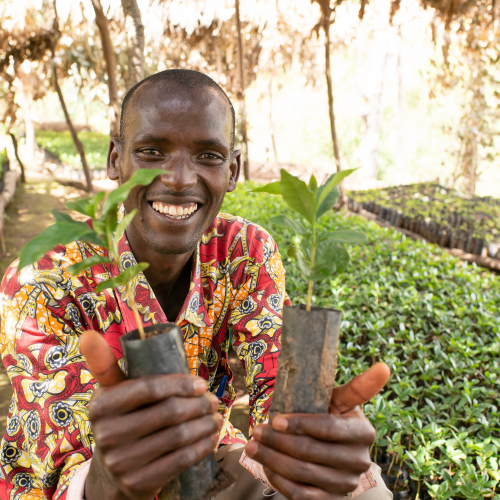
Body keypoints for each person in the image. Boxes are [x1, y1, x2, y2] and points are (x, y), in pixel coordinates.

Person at [0, 69, 392, 500]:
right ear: (116, 160)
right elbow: (74, 457)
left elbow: (276, 384)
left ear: (233, 170)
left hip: (204, 463)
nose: (181, 179)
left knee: (358, 489)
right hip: (83, 482)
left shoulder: (244, 250)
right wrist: (110, 480)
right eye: (152, 151)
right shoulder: (44, 275)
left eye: (208, 156)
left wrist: (313, 444)